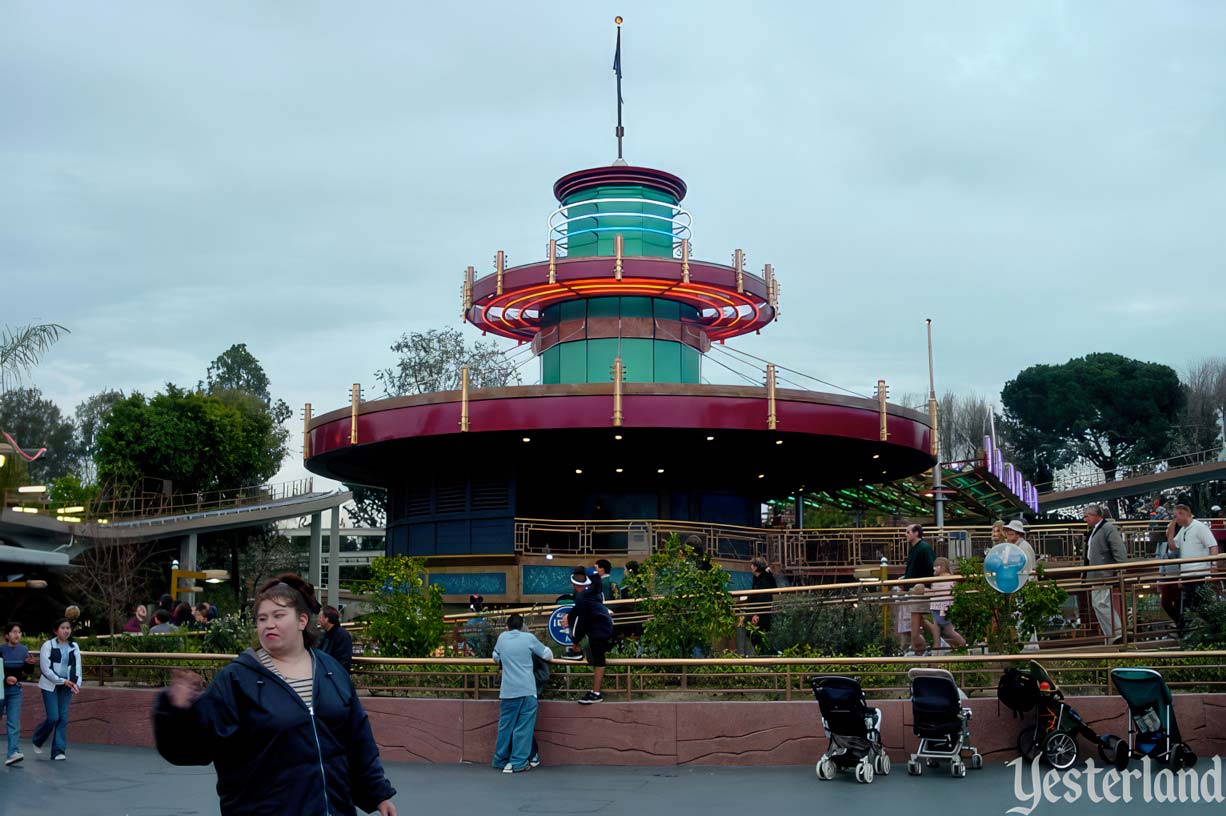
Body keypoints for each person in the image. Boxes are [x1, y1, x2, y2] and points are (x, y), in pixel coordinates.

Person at [154, 574, 397, 816]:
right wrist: (175, 712)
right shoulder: (237, 679)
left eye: (278, 616)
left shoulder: (331, 671)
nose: (268, 624)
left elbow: (358, 739)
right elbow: (193, 747)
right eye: (262, 618)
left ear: (302, 620)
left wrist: (377, 793)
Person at [490, 613, 553, 773]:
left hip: (507, 691)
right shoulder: (528, 638)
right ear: (522, 625)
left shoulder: (502, 638)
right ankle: (518, 762)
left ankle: (500, 759)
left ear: (507, 626)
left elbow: (495, 656)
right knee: (523, 728)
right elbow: (547, 654)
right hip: (527, 689)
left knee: (505, 727)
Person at [559, 566, 613, 704]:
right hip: (599, 625)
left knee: (599, 661)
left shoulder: (583, 597)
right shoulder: (592, 591)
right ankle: (578, 651)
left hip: (600, 629)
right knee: (593, 653)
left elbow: (580, 622)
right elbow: (578, 610)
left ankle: (596, 693)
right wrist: (570, 617)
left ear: (576, 584)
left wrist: (575, 641)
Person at [32, 617, 82, 761]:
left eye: (68, 628)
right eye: (63, 628)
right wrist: (62, 680)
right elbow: (45, 669)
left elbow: (77, 667)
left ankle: (58, 751)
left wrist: (76, 684)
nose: (66, 630)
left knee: (63, 718)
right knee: (53, 717)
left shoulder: (74, 646)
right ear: (55, 630)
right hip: (50, 685)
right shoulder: (48, 645)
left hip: (67, 687)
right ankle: (38, 739)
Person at [1168, 503, 1220, 632]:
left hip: (1199, 573)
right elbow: (1173, 546)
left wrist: (1213, 565)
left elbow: (1213, 546)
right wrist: (1170, 531)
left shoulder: (1199, 527)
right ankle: (1191, 631)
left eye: (1176, 516)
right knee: (1190, 606)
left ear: (1183, 514)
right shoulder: (1184, 529)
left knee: (1198, 605)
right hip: (1188, 574)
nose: (1175, 519)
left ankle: (1205, 630)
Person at [1084, 504, 1128, 645]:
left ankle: (1116, 634)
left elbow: (1118, 548)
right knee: (1098, 604)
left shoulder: (1107, 528)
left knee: (1101, 603)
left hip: (1104, 573)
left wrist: (1121, 568)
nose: (1085, 519)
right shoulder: (1095, 530)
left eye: (1087, 516)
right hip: (1096, 573)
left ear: (1096, 515)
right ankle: (1111, 635)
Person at [3, 621, 38, 765]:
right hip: (0, 690)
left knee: (13, 722)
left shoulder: (24, 650)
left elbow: (25, 673)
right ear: (7, 635)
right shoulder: (0, 650)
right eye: (14, 632)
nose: (17, 634)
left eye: (19, 632)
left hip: (15, 690)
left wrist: (30, 665)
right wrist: (6, 679)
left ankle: (13, 752)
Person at [903, 524, 937, 655]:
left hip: (919, 589)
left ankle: (920, 647)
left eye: (908, 532)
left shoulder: (924, 548)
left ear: (916, 533)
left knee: (915, 624)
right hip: (913, 587)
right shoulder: (914, 548)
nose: (906, 534)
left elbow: (930, 568)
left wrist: (924, 584)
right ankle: (934, 638)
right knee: (919, 619)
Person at [927, 558, 966, 650]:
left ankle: (963, 644)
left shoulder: (939, 580)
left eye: (935, 567)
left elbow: (933, 592)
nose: (934, 570)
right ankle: (937, 650)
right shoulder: (951, 579)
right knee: (940, 631)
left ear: (941, 567)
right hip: (942, 607)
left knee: (947, 631)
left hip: (940, 607)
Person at [746, 557, 777, 653]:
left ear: (756, 567)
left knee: (756, 635)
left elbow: (763, 599)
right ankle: (764, 654)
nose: (751, 567)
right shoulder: (758, 578)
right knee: (754, 634)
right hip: (756, 612)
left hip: (760, 614)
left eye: (752, 565)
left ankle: (767, 655)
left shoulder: (763, 581)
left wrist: (756, 614)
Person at [318, 605, 354, 673]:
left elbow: (344, 661)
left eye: (320, 617)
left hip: (334, 676)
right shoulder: (327, 634)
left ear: (326, 619)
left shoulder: (342, 634)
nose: (318, 620)